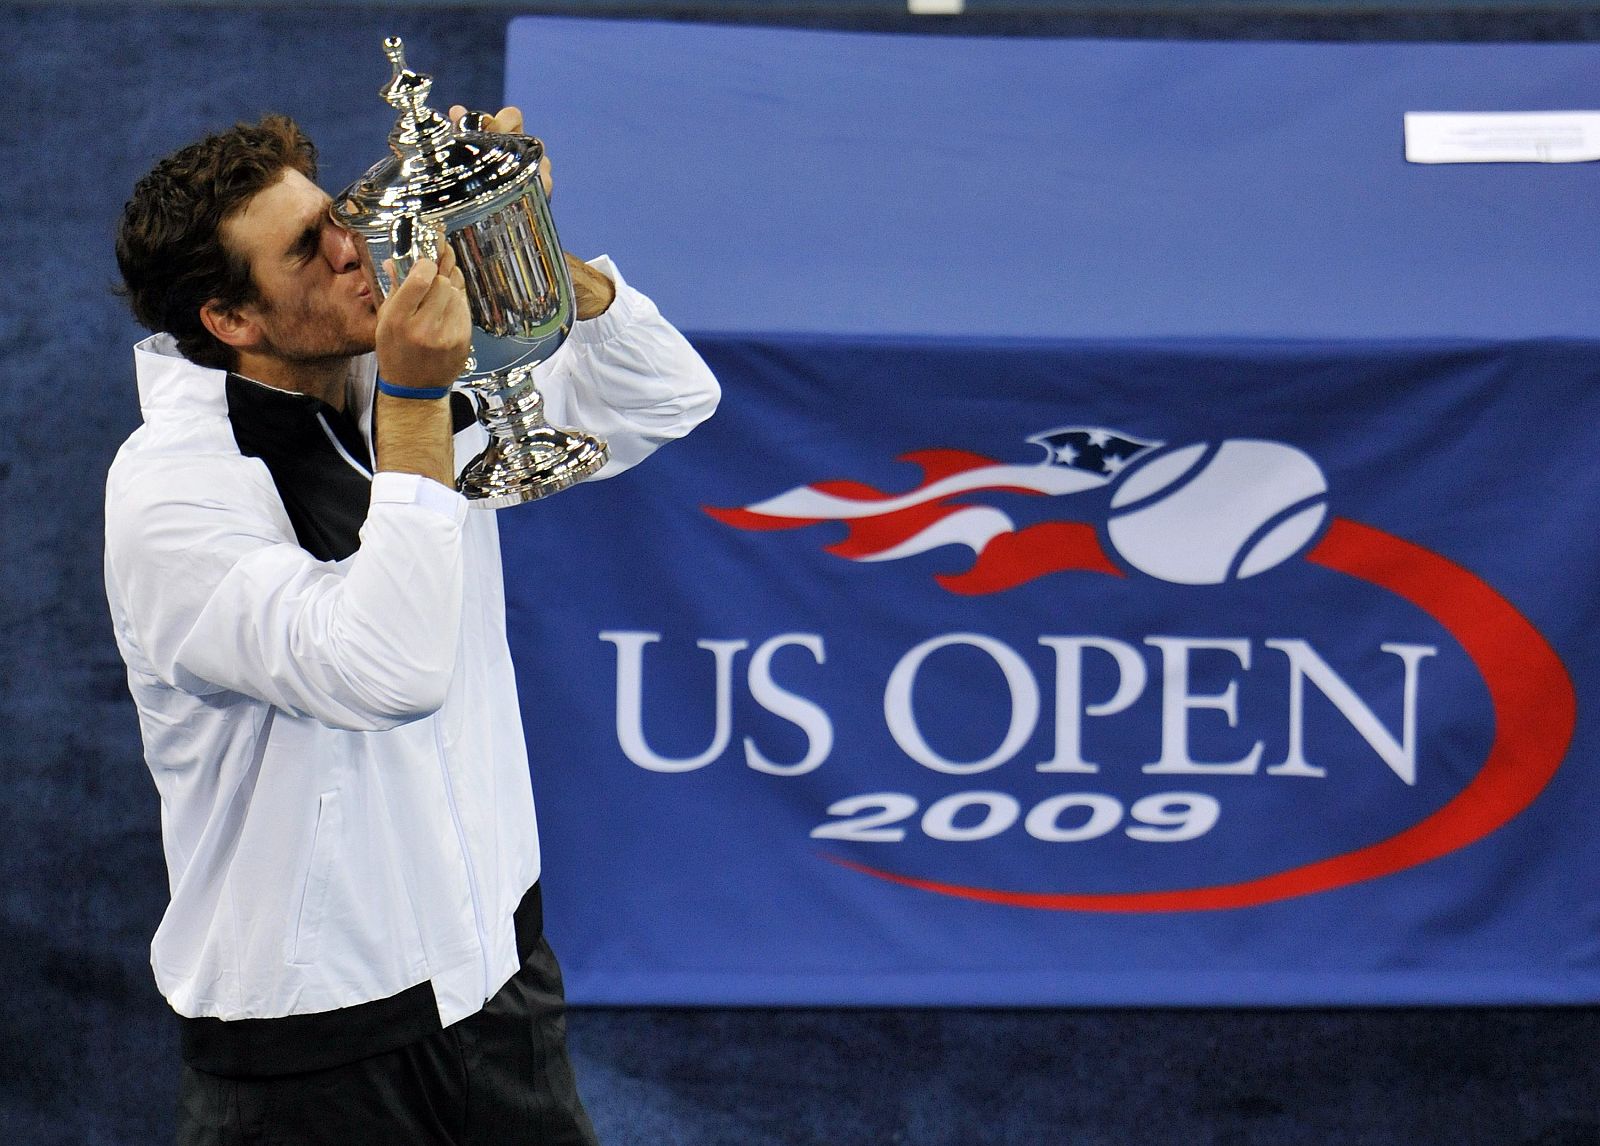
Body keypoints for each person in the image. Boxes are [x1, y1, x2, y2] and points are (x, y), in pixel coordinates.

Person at [105, 107, 719, 1145]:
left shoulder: (386, 374)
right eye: (307, 250)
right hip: (315, 1051)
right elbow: (384, 668)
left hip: (499, 979)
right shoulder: (175, 498)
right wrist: (415, 402)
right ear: (231, 321)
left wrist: (511, 241)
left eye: (336, 216)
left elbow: (663, 398)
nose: (354, 247)